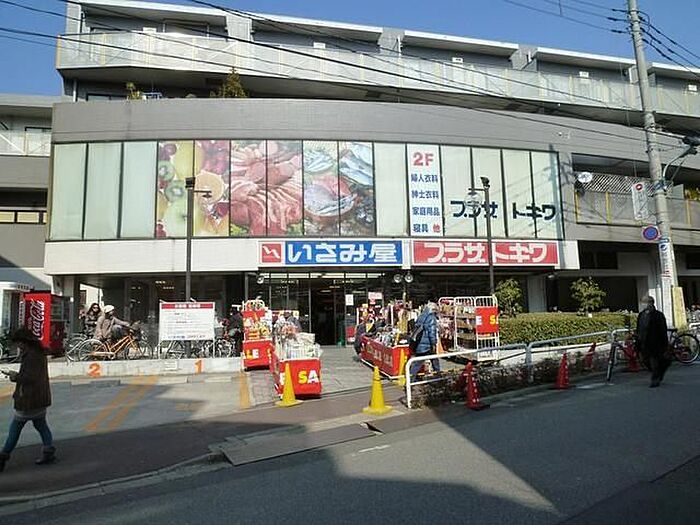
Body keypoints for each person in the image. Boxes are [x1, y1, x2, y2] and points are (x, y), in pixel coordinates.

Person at [0, 328, 55, 473]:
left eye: (18, 343)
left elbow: (29, 378)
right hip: (40, 397)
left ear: (24, 342)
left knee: (15, 428)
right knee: (41, 425)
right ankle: (48, 450)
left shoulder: (31, 356)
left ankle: (3, 456)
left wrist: (15, 376)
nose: (18, 346)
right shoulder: (38, 353)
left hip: (29, 398)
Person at [635, 296, 670, 388]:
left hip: (655, 341)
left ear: (650, 303)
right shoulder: (641, 315)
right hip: (643, 341)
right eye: (642, 302)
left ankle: (655, 378)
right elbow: (638, 328)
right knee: (645, 360)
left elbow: (663, 330)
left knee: (654, 360)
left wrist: (665, 344)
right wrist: (637, 340)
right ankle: (658, 373)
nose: (643, 304)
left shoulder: (658, 315)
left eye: (645, 302)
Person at [409, 302, 441, 380]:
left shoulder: (421, 315)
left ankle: (410, 379)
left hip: (420, 342)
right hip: (427, 344)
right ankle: (438, 376)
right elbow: (432, 332)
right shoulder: (431, 318)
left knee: (419, 362)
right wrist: (434, 343)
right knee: (432, 360)